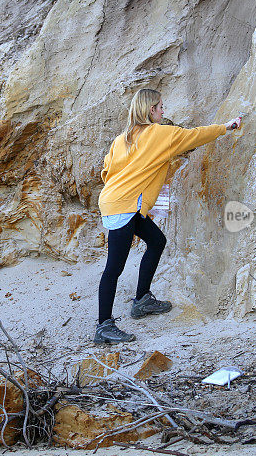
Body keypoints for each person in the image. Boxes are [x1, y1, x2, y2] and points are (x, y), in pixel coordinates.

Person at [94, 88, 241, 344]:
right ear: (150, 110)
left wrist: (133, 191)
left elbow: (106, 171)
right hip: (122, 206)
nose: (164, 111)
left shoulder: (122, 139)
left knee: (157, 241)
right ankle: (103, 327)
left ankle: (142, 300)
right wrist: (226, 127)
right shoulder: (159, 133)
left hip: (117, 200)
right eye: (161, 107)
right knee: (114, 268)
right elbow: (194, 136)